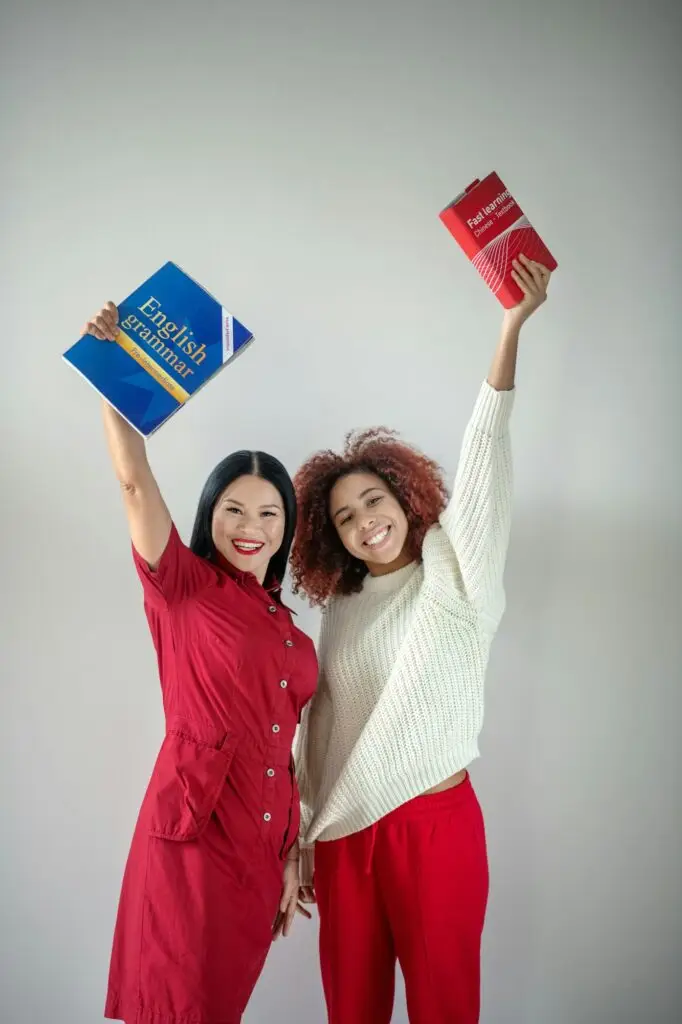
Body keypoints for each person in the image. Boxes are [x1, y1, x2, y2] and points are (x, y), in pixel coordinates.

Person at [291, 255, 552, 1024]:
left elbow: (482, 466)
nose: (365, 519)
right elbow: (323, 729)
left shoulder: (458, 570)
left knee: (444, 1006)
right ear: (331, 537)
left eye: (374, 499)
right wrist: (306, 834)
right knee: (353, 1010)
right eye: (344, 516)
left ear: (404, 498)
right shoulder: (343, 607)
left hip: (433, 830)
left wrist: (509, 330)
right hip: (345, 837)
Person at [81, 302, 318, 1024]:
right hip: (194, 843)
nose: (252, 529)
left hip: (261, 847)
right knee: (177, 1007)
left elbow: (286, 747)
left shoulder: (287, 626)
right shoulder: (181, 584)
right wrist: (112, 379)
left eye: (269, 514)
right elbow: (132, 483)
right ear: (211, 513)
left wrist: (290, 850)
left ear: (287, 527)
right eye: (235, 511)